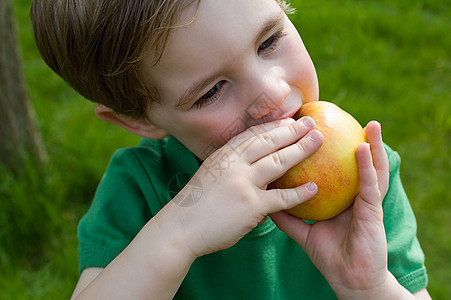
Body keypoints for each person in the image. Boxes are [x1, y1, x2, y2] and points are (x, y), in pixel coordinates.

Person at [31, 0, 431, 298]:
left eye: (270, 40)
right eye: (211, 92)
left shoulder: (365, 176)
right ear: (141, 120)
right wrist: (181, 232)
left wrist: (368, 285)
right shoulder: (139, 190)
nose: (273, 91)